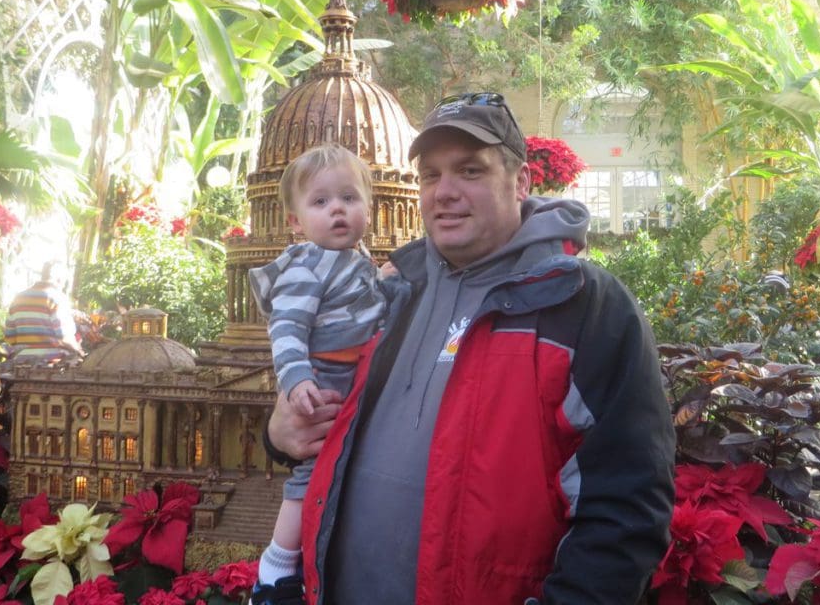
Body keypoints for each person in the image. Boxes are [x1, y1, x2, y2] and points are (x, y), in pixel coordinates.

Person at [262, 93, 676, 605]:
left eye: (470, 171)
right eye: (431, 175)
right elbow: (326, 398)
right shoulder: (390, 291)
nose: (445, 192)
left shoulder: (584, 305)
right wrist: (279, 437)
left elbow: (626, 507)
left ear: (521, 181)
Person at [248, 144, 387, 604]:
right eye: (321, 202)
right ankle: (277, 563)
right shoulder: (306, 266)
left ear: (370, 206)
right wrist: (296, 381)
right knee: (311, 473)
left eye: (349, 198)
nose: (338, 210)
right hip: (324, 380)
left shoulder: (359, 261)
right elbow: (286, 329)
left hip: (357, 377)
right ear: (295, 222)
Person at [3, 261, 84, 365]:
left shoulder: (18, 299)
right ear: (59, 279)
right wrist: (79, 350)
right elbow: (64, 337)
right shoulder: (57, 298)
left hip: (21, 366)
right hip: (51, 366)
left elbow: (10, 338)